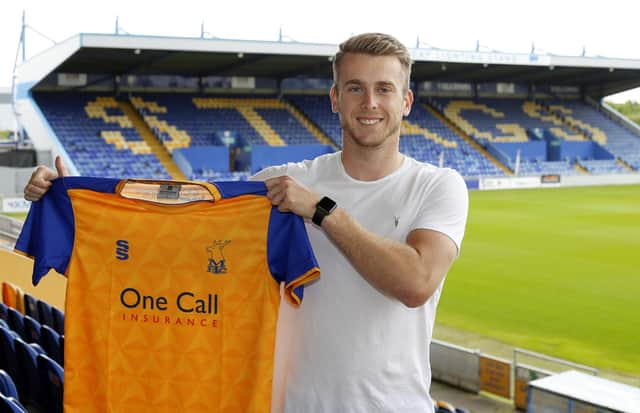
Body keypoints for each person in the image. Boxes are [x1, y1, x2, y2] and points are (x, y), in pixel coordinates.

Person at [24, 33, 468, 413]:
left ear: (406, 101)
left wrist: (322, 211)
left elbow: (416, 281)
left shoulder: (437, 186)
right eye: (354, 88)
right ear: (335, 98)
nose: (369, 102)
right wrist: (75, 197)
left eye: (384, 89)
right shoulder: (282, 184)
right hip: (289, 406)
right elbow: (182, 220)